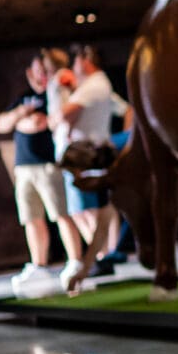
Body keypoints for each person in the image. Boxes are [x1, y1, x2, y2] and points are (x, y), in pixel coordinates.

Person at [0, 53, 84, 297]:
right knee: (31, 218)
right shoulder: (23, 98)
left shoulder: (55, 94)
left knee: (61, 214)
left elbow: (40, 123)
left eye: (46, 70)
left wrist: (22, 122)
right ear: (30, 73)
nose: (42, 75)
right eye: (38, 70)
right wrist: (19, 115)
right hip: (23, 169)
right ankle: (39, 265)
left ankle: (75, 260)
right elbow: (1, 124)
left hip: (48, 165)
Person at [52, 44, 122, 281]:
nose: (73, 66)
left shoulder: (95, 84)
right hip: (82, 156)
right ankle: (99, 259)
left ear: (85, 60)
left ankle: (101, 258)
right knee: (85, 211)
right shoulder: (90, 86)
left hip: (85, 156)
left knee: (90, 210)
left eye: (76, 61)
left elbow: (62, 115)